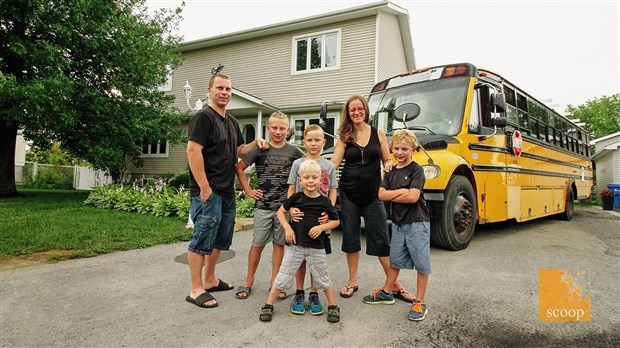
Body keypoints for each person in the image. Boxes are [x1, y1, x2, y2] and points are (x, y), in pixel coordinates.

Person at [185, 73, 267, 309]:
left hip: (226, 190)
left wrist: (256, 143)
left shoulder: (231, 121)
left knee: (220, 239)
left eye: (228, 89)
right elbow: (193, 151)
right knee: (201, 238)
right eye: (220, 88)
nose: (225, 92)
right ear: (209, 90)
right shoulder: (203, 117)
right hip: (208, 190)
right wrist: (204, 186)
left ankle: (210, 280)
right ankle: (195, 288)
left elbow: (239, 150)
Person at [330, 95, 415, 302]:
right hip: (348, 193)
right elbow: (333, 163)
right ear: (348, 113)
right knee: (350, 239)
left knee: (381, 239)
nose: (356, 112)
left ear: (366, 110)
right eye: (352, 110)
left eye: (360, 109)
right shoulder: (344, 136)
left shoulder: (378, 133)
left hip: (373, 194)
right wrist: (313, 166)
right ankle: (352, 281)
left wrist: (388, 165)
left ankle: (395, 284)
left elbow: (387, 158)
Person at [259, 160, 341, 323]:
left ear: (321, 180)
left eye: (314, 177)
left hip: (317, 247)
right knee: (283, 276)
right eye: (307, 177)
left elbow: (336, 221)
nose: (310, 181)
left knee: (323, 277)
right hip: (295, 246)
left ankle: (333, 306)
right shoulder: (296, 198)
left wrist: (322, 227)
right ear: (300, 180)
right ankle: (268, 304)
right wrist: (288, 229)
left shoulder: (325, 201)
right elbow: (280, 213)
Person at [235, 111, 304, 300]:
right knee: (257, 244)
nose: (278, 131)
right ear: (268, 128)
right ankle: (248, 280)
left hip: (284, 208)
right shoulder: (260, 149)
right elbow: (239, 168)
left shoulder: (295, 152)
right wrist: (249, 191)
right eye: (274, 128)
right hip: (263, 206)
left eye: (282, 128)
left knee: (279, 245)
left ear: (288, 130)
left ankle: (275, 283)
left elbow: (307, 169)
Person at [363, 129, 431, 320]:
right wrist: (402, 191)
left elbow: (413, 197)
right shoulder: (391, 171)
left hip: (417, 222)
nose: (400, 152)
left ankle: (420, 302)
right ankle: (387, 291)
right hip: (399, 223)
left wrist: (396, 193)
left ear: (414, 150)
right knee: (395, 261)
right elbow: (381, 194)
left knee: (421, 263)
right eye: (396, 148)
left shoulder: (416, 170)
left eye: (404, 149)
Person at [286, 124, 338, 315]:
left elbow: (333, 190)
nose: (314, 143)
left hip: (320, 222)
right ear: (304, 142)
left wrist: (328, 214)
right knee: (299, 258)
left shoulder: (329, 166)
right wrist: (291, 209)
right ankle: (299, 292)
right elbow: (291, 189)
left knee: (317, 260)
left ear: (324, 142)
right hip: (300, 219)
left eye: (317, 140)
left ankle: (314, 293)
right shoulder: (297, 164)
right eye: (310, 140)